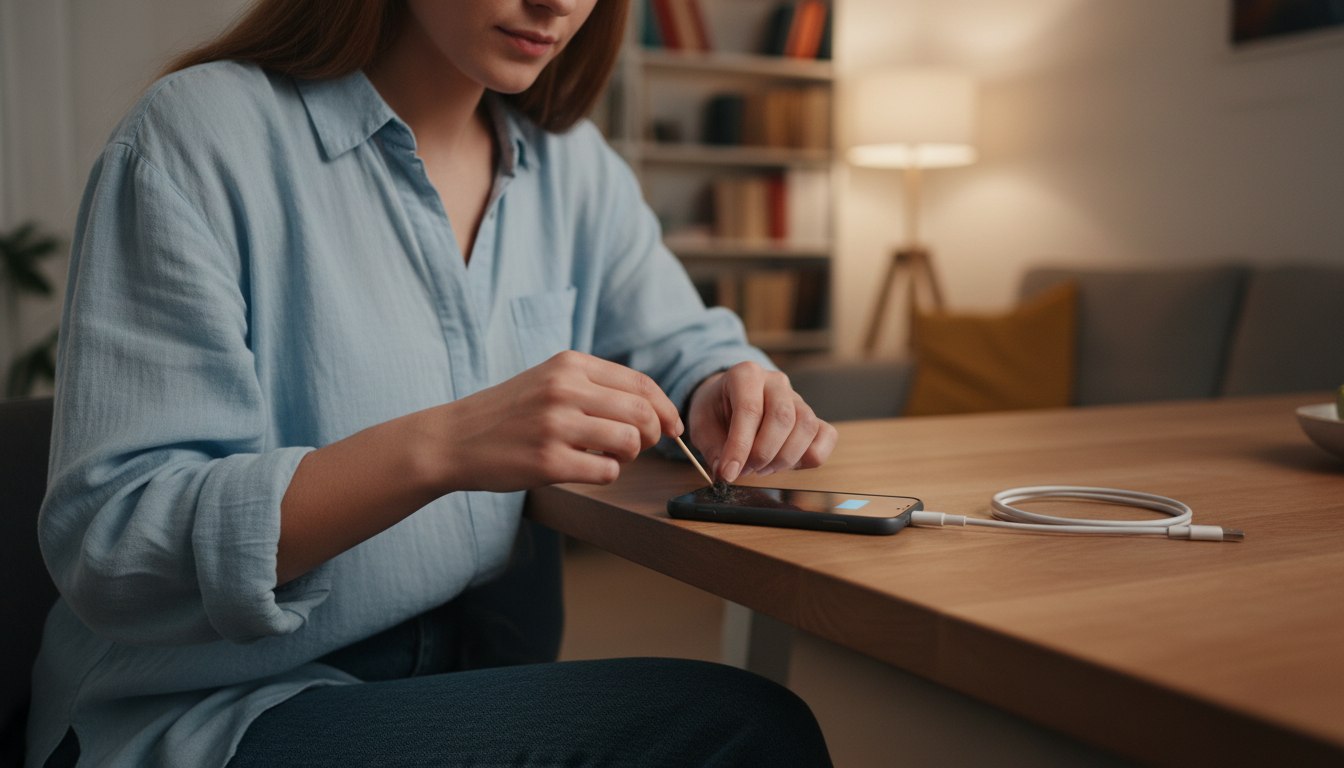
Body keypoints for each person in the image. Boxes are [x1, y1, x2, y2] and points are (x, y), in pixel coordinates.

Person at [28, 0, 839, 765]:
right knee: (740, 732)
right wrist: (450, 442)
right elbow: (117, 539)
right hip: (214, 705)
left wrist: (724, 383)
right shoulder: (197, 137)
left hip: (464, 662)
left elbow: (678, 339)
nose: (557, 2)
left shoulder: (573, 168)